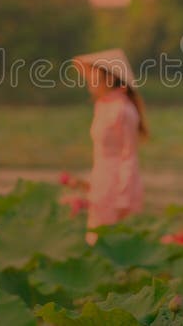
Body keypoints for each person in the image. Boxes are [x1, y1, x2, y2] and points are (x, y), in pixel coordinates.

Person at [73, 49, 149, 244]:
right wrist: (88, 182)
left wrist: (124, 196)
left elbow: (129, 156)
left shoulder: (124, 110)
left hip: (118, 183)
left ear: (109, 77)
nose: (89, 78)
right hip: (100, 178)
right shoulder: (102, 106)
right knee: (95, 237)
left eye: (94, 73)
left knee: (112, 241)